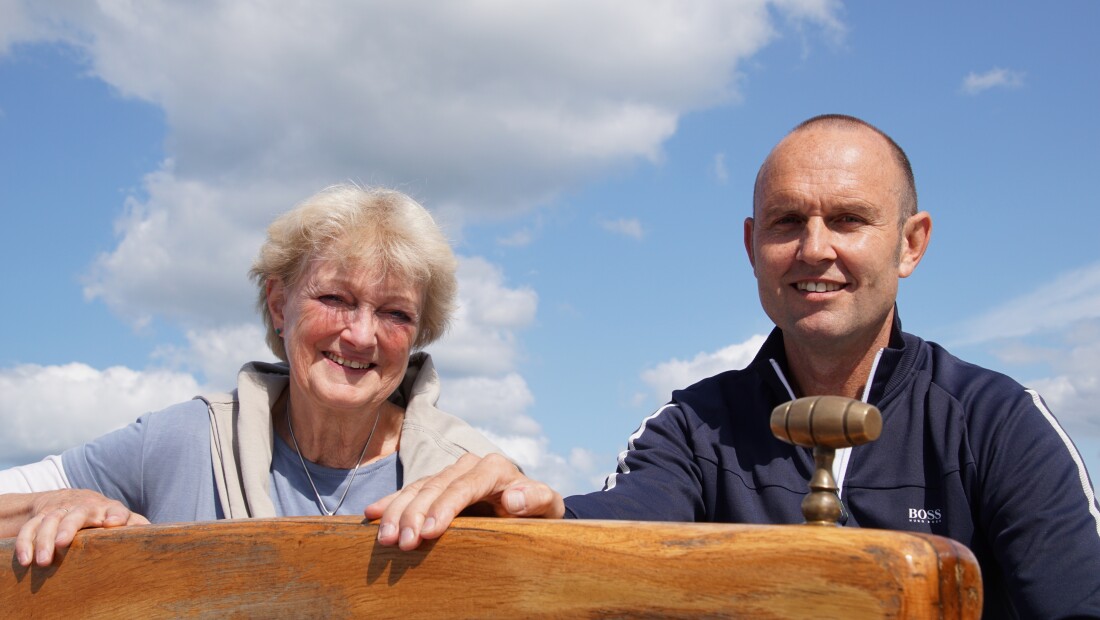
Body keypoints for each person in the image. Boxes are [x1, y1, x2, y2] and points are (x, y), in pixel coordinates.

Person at [366, 115, 1100, 618]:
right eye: (787, 223)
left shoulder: (999, 424)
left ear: (911, 244)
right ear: (752, 246)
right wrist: (531, 512)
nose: (815, 249)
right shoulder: (694, 427)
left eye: (848, 219)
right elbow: (617, 531)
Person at [0, 184, 506, 568]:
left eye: (395, 313)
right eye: (334, 299)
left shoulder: (464, 473)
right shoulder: (184, 441)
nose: (361, 335)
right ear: (279, 304)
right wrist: (52, 504)